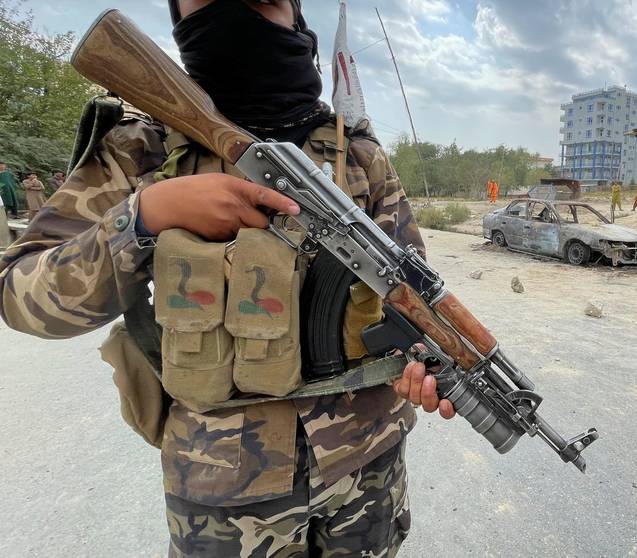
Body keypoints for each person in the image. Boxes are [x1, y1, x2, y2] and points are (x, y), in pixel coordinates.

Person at [0, 1, 453, 556]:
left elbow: (412, 294)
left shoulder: (357, 153)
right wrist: (145, 217)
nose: (238, 14)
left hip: (368, 463)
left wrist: (420, 363)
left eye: (262, 0)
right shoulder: (140, 151)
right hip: (223, 483)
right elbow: (19, 294)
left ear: (296, 15)